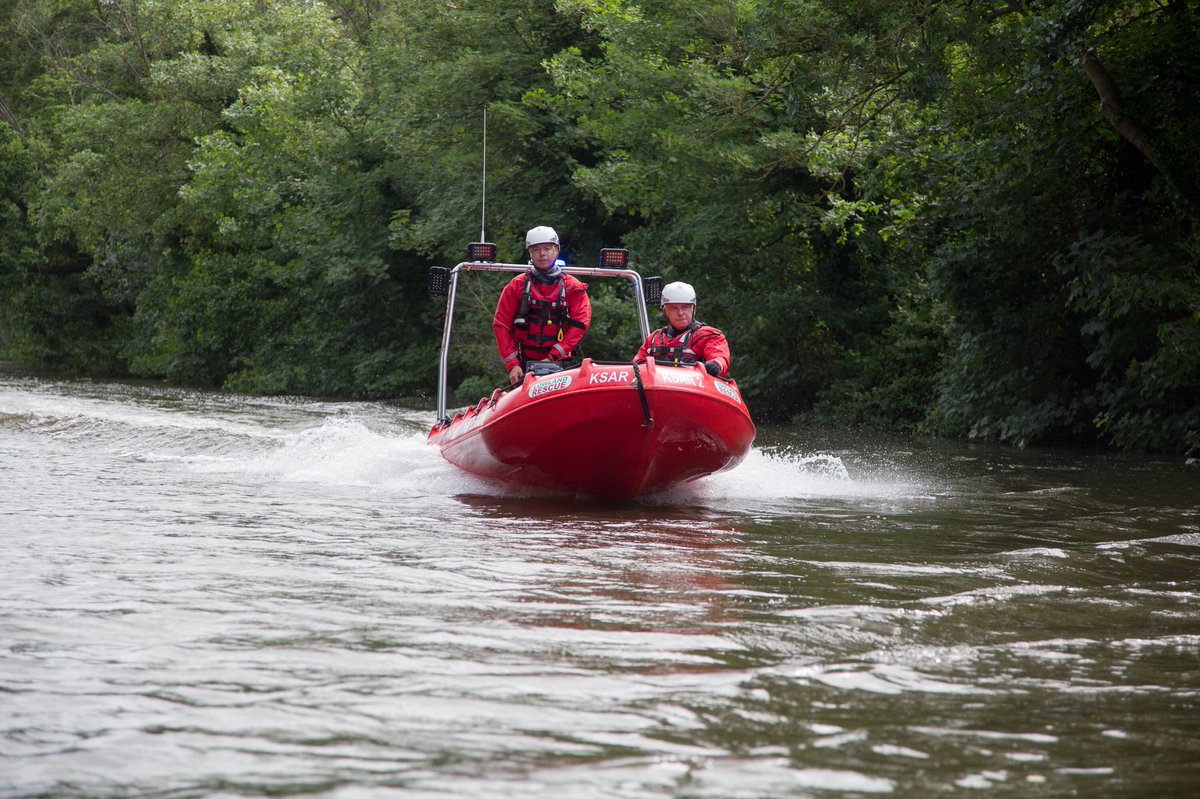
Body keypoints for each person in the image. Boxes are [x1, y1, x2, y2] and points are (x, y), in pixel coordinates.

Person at [493, 225, 592, 384]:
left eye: (547, 248)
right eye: (536, 250)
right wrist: (513, 364)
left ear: (556, 250)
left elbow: (581, 324)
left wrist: (553, 356)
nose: (542, 254)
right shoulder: (516, 286)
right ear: (530, 253)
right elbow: (501, 325)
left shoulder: (572, 287)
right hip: (523, 364)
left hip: (562, 363)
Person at [635, 281, 731, 377]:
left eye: (685, 307)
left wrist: (716, 365)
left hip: (694, 388)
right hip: (659, 389)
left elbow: (720, 357)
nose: (680, 313)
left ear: (693, 308)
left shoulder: (706, 336)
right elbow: (635, 367)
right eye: (674, 308)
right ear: (665, 310)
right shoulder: (654, 339)